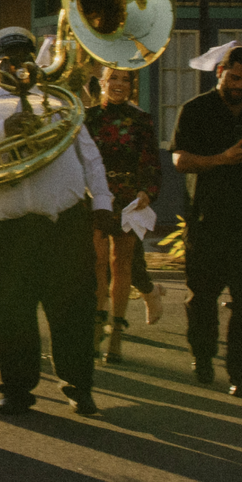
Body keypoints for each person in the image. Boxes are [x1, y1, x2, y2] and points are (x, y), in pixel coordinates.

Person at [0, 28, 111, 416]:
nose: (18, 64)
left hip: (62, 224)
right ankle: (17, 390)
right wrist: (3, 129)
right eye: (8, 58)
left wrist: (102, 200)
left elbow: (89, 155)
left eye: (24, 56)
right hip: (4, 228)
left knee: (72, 311)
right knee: (13, 312)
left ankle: (78, 386)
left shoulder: (57, 99)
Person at [173, 43, 242, 397]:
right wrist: (222, 159)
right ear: (219, 72)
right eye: (234, 77)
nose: (240, 85)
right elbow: (180, 160)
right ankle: (202, 355)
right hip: (206, 219)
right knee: (202, 297)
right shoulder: (195, 110)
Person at [84, 66, 161, 363]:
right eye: (112, 78)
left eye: (124, 79)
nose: (118, 84)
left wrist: (147, 191)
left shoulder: (141, 120)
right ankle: (96, 324)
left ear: (132, 85)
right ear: (102, 83)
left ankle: (117, 330)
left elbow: (152, 161)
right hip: (97, 196)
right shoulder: (88, 118)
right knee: (98, 262)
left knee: (122, 264)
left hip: (129, 197)